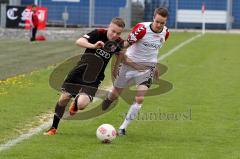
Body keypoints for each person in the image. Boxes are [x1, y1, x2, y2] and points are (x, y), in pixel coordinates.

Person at [44, 17, 125, 135]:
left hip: (94, 78)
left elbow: (120, 54)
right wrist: (93, 46)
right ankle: (53, 128)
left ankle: (76, 104)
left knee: (82, 105)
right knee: (64, 99)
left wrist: (116, 68)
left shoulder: (118, 42)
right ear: (109, 26)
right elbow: (79, 41)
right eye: (113, 31)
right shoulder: (98, 33)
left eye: (118, 33)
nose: (114, 35)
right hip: (79, 72)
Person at [101, 7, 170, 135]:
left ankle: (122, 128)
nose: (159, 25)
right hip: (129, 65)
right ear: (153, 18)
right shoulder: (141, 29)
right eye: (157, 21)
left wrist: (154, 67)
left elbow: (154, 51)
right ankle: (109, 98)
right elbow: (126, 44)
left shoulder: (166, 33)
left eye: (163, 23)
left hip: (146, 68)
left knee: (139, 98)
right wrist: (115, 54)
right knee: (115, 94)